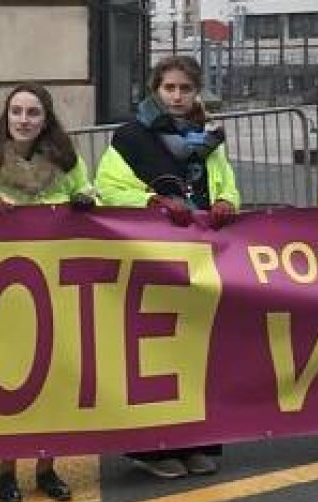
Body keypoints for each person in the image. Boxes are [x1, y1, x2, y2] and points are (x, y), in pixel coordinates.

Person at [94, 55, 239, 479]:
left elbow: (223, 180)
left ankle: (195, 440)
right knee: (152, 348)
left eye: (185, 89)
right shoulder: (130, 136)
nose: (177, 96)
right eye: (169, 88)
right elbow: (109, 187)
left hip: (199, 255)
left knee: (198, 349)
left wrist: (229, 201)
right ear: (156, 89)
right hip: (150, 255)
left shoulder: (208, 138)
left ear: (196, 93)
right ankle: (152, 448)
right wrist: (150, 203)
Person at [0, 82, 96, 502]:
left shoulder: (66, 159)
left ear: (46, 119)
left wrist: (85, 200)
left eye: (33, 113)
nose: (24, 120)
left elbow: (89, 191)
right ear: (6, 116)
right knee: (10, 377)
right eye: (17, 112)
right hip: (0, 283)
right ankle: (4, 471)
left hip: (56, 280)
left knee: (55, 374)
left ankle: (46, 466)